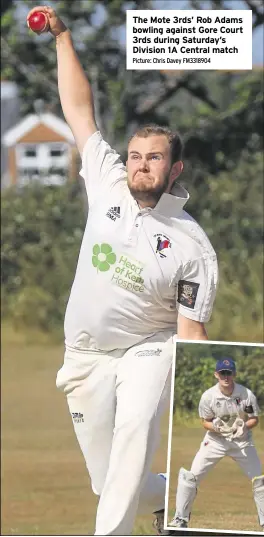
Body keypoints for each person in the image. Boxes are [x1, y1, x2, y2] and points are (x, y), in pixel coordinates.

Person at [27, 6, 218, 536]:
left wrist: (209, 395)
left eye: (153, 158)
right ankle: (167, 499)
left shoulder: (193, 247)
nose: (139, 164)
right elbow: (79, 110)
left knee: (135, 431)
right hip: (86, 354)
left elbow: (191, 332)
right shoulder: (108, 182)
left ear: (174, 168)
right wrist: (62, 36)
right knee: (108, 481)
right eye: (135, 155)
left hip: (149, 347)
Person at [169, 358, 264, 532]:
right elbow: (205, 421)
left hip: (241, 441)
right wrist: (215, 427)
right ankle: (180, 519)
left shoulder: (246, 395)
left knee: (260, 481)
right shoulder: (208, 396)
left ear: (234, 374)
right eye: (222, 373)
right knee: (190, 477)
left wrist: (243, 427)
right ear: (216, 374)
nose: (226, 377)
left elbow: (253, 420)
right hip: (215, 440)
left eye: (229, 373)